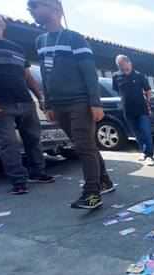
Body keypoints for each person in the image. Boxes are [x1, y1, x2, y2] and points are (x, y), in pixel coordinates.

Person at [29, 0, 114, 209]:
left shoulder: (75, 39)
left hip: (80, 102)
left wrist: (95, 103)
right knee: (84, 145)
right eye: (30, 8)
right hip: (58, 105)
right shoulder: (40, 41)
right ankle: (104, 180)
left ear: (55, 8)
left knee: (84, 146)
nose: (32, 10)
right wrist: (47, 104)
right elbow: (45, 75)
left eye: (37, 5)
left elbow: (89, 73)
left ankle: (92, 194)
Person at [0, 10, 54, 195]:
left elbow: (27, 76)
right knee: (9, 143)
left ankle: (38, 172)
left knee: (33, 139)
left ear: (3, 23)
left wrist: (40, 97)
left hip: (25, 101)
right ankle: (18, 181)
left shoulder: (17, 48)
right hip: (0, 105)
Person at [112, 55, 154, 166]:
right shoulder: (116, 76)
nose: (122, 67)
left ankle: (149, 155)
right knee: (136, 133)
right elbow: (118, 91)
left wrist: (148, 103)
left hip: (142, 109)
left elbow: (148, 90)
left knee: (145, 131)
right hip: (127, 110)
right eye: (119, 66)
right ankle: (143, 152)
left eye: (123, 64)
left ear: (129, 62)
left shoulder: (139, 75)